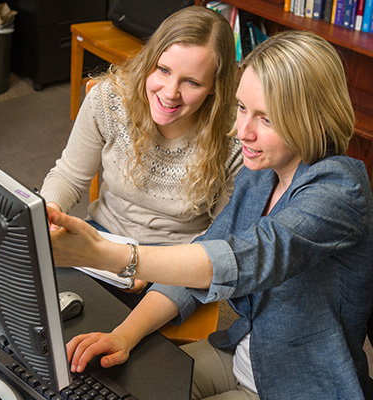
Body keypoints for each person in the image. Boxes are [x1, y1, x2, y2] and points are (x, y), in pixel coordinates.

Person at [49, 30, 373, 399]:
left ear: (313, 119)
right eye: (241, 108)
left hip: (295, 384)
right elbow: (207, 252)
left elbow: (245, 258)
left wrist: (109, 255)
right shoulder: (261, 173)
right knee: (99, 386)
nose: (242, 131)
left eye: (266, 119)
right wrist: (125, 334)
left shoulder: (340, 190)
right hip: (237, 355)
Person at [40, 6, 243, 307]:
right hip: (102, 238)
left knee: (120, 339)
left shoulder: (236, 140)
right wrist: (50, 212)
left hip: (179, 260)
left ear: (215, 87)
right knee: (30, 297)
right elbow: (69, 175)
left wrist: (145, 264)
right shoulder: (109, 100)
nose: (170, 92)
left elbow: (219, 241)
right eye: (163, 70)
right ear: (149, 60)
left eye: (192, 82)